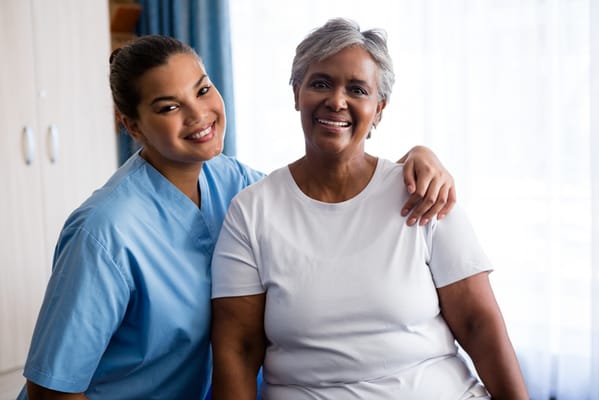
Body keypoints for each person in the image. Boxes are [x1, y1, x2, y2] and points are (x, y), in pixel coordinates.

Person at [16, 35, 456, 400]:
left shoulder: (236, 183)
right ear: (131, 125)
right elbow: (51, 388)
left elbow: (327, 198)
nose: (198, 115)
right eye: (169, 107)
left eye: (202, 89)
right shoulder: (104, 233)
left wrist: (415, 161)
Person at [210, 18, 530, 400]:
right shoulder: (252, 211)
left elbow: (479, 323)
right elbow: (238, 349)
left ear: (378, 109)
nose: (337, 100)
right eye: (320, 83)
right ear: (297, 93)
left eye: (357, 89)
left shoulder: (423, 192)